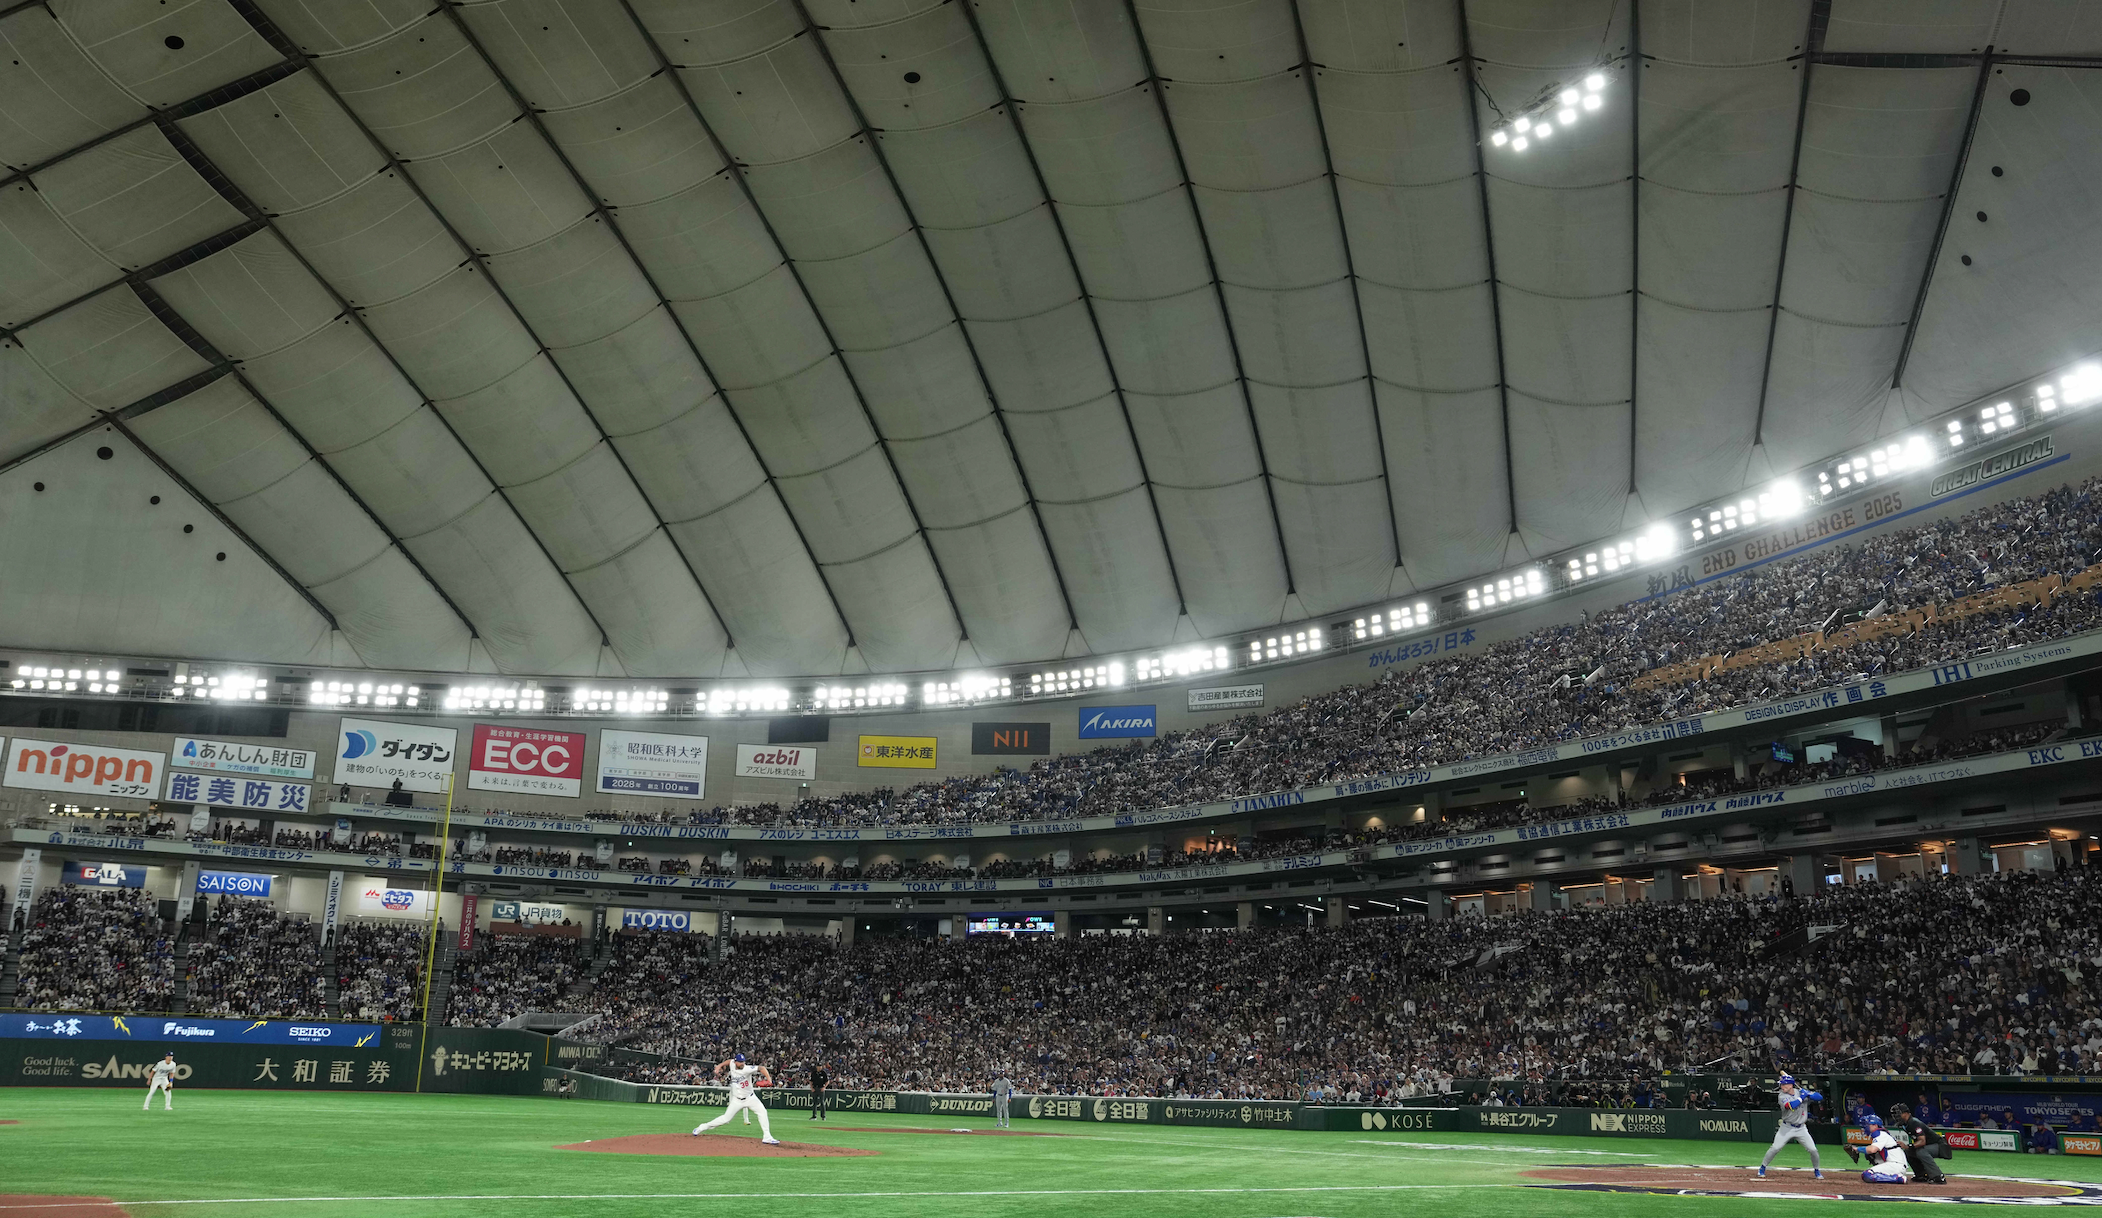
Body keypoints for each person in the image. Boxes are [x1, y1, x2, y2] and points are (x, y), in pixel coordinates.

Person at [690, 1053, 778, 1144]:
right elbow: (729, 1061)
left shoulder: (747, 1069)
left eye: (743, 1062)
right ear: (736, 1062)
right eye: (740, 1062)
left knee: (762, 1112)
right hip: (737, 1100)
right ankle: (702, 1127)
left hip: (750, 1098)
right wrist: (719, 1066)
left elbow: (762, 1068)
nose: (742, 1064)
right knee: (725, 1119)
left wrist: (769, 1080)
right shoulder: (732, 1063)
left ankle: (767, 1136)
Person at [1757, 1074, 1824, 1179]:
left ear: (1791, 1085)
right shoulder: (1782, 1096)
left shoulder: (1800, 1091)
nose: (1782, 1087)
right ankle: (1762, 1167)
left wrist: (1808, 1093)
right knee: (1775, 1148)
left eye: (1784, 1085)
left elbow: (1820, 1097)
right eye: (1782, 1085)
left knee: (1813, 1150)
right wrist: (1802, 1097)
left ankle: (1817, 1170)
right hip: (1787, 1127)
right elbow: (1790, 1106)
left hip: (1801, 1128)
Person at [1889, 1103, 1951, 1184]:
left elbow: (1922, 1141)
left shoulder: (1914, 1122)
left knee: (1921, 1152)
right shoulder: (1906, 1124)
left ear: (1905, 1113)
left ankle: (1938, 1177)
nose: (1897, 1117)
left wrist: (1908, 1146)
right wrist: (1909, 1148)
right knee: (1908, 1152)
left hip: (1940, 1146)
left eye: (1898, 1114)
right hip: (1930, 1146)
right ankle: (1922, 1175)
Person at [1858, 1113, 1913, 1184]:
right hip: (1895, 1164)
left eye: (1867, 1125)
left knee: (1867, 1175)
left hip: (1896, 1165)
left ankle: (1897, 1178)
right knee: (1870, 1155)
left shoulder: (1880, 1134)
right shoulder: (1881, 1134)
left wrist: (1857, 1149)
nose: (1865, 1127)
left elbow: (1872, 1149)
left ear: (1875, 1125)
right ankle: (1893, 1175)